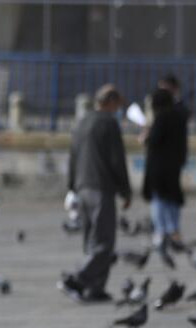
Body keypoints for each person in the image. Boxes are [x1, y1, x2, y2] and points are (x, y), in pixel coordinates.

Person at [59, 84, 131, 304]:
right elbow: (116, 160)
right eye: (118, 104)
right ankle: (77, 278)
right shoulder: (109, 123)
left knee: (92, 240)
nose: (119, 109)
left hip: (82, 187)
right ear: (110, 102)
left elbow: (73, 156)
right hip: (101, 188)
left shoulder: (81, 122)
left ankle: (95, 288)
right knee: (103, 242)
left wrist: (72, 186)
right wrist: (125, 190)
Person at [142, 89, 187, 259]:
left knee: (158, 199)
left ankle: (161, 233)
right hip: (174, 165)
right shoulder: (179, 117)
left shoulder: (161, 118)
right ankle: (174, 231)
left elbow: (154, 140)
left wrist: (145, 136)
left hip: (159, 166)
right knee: (173, 198)